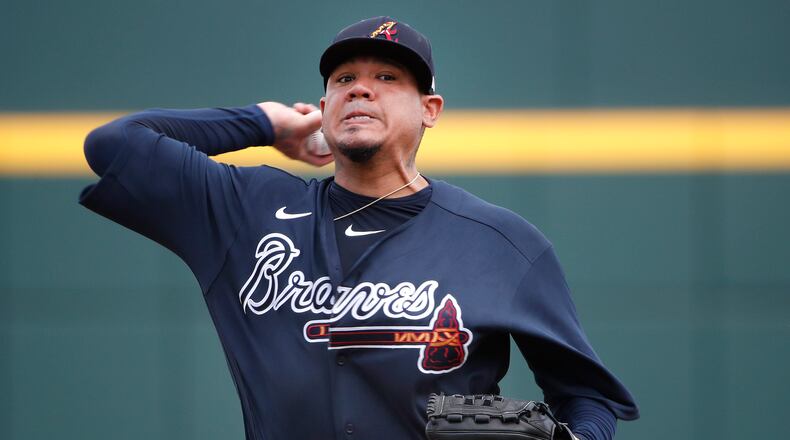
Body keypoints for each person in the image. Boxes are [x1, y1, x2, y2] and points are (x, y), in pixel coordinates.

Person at [79, 16, 638, 440]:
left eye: (388, 78)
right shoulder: (243, 210)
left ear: (431, 108)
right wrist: (265, 122)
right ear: (323, 106)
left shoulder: (503, 243)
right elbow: (114, 146)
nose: (361, 88)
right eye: (344, 79)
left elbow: (586, 395)